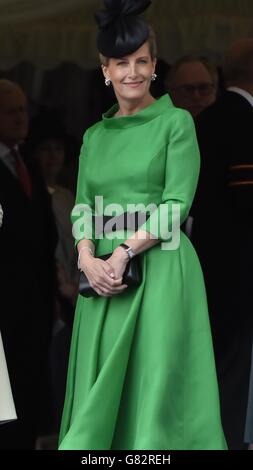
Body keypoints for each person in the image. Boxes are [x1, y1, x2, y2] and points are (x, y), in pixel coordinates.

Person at [58, 0, 226, 450]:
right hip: (101, 277)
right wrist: (87, 256)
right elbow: (82, 207)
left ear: (153, 66)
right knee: (100, 396)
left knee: (156, 384)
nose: (132, 72)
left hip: (159, 268)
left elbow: (176, 203)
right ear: (105, 69)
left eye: (141, 61)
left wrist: (122, 252)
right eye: (121, 63)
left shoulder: (176, 123)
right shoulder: (95, 136)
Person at [192, 38, 253, 449]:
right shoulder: (243, 120)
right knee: (234, 388)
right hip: (241, 277)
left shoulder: (206, 119)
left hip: (207, 270)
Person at [0, 80, 58, 448]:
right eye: (11, 111)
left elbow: (44, 234)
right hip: (3, 309)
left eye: (24, 109)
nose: (22, 118)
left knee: (27, 408)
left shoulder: (27, 162)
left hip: (33, 309)